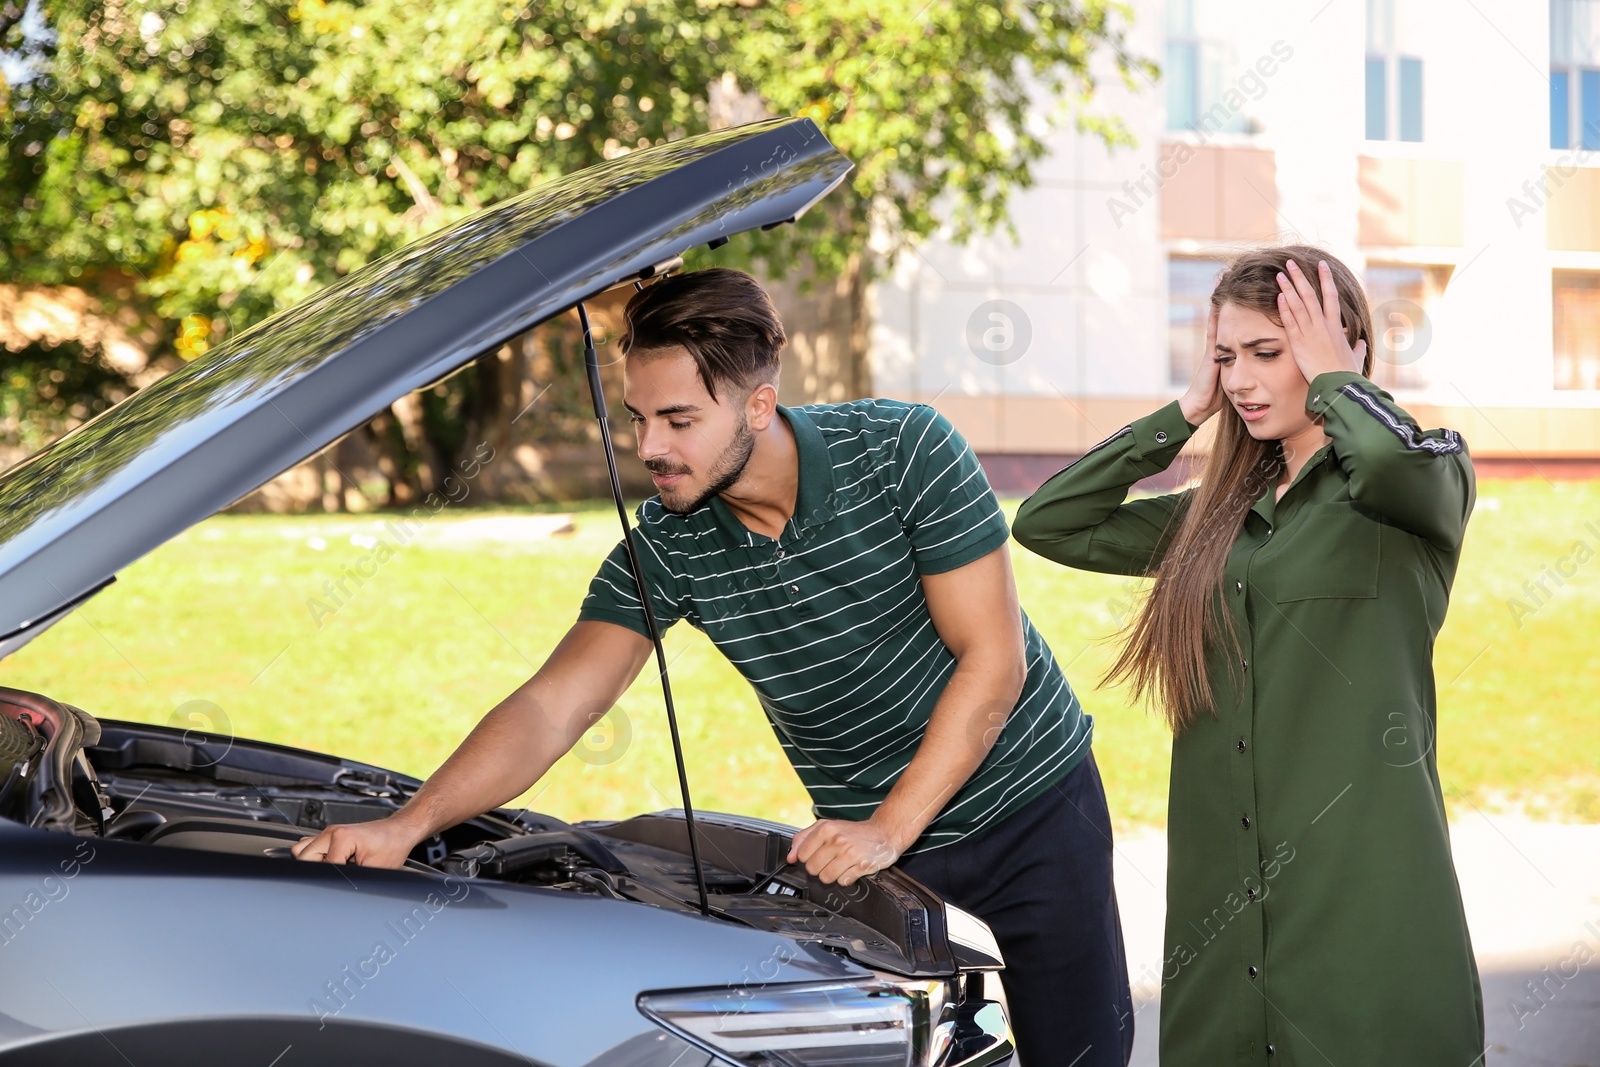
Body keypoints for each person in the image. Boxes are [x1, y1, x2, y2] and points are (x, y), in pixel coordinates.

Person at [293, 267, 1135, 1066]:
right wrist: (409, 823)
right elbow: (555, 705)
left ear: (758, 404)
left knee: (1081, 1051)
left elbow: (992, 660)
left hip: (1031, 809)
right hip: (869, 845)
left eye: (679, 420)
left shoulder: (904, 450)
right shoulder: (670, 541)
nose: (650, 447)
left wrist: (889, 826)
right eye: (636, 418)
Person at [1011, 246, 1484, 1065]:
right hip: (1222, 920)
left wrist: (1339, 379)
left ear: (1350, 351)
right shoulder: (1217, 514)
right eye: (1226, 356)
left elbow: (1381, 457)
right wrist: (1185, 411)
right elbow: (1051, 521)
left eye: (1270, 352)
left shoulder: (1418, 483)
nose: (1240, 379)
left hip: (1363, 908)